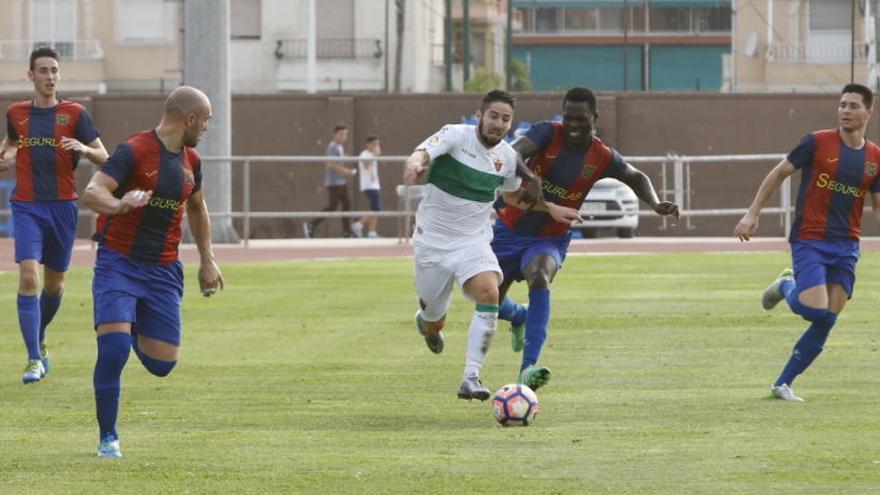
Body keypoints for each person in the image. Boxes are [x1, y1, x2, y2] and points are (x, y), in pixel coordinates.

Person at [493, 86, 680, 391]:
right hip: (508, 232)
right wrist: (531, 176)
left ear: (594, 118)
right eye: (568, 118)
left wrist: (656, 203)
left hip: (549, 240)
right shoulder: (546, 133)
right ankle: (518, 315)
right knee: (486, 301)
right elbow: (511, 153)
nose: (574, 125)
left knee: (540, 276)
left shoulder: (602, 156)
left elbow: (637, 177)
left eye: (580, 119)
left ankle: (528, 370)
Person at [404, 89, 581, 401]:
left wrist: (550, 208)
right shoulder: (455, 135)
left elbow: (512, 197)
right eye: (494, 116)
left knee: (489, 292)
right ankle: (427, 323)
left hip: (473, 241)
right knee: (435, 321)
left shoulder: (507, 158)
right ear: (479, 116)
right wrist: (415, 164)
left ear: (511, 124)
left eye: (506, 119)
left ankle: (471, 377)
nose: (499, 124)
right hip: (432, 242)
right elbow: (422, 153)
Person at [81, 85, 224, 457]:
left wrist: (207, 260)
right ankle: (108, 436)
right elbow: (93, 192)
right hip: (119, 262)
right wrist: (118, 205)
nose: (208, 127)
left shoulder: (192, 160)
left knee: (162, 365)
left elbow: (197, 208)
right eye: (206, 120)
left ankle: (126, 327)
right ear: (189, 118)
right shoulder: (134, 149)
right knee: (112, 350)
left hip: (163, 270)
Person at [735, 83, 880, 402]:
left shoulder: (874, 158)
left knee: (828, 319)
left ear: (869, 112)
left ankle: (782, 384)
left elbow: (877, 206)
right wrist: (752, 212)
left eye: (854, 106)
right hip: (810, 239)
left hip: (847, 247)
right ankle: (787, 285)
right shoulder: (817, 142)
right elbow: (778, 173)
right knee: (815, 311)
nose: (845, 110)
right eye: (842, 104)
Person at [0, 46, 108, 384]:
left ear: (59, 76)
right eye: (43, 71)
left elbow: (105, 157)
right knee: (29, 277)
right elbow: (11, 145)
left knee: (54, 283)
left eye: (54, 71)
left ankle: (40, 334)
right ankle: (33, 358)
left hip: (63, 207)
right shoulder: (16, 112)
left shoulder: (76, 114)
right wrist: (3, 156)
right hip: (27, 205)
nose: (49, 76)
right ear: (31, 75)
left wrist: (85, 149)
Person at [303, 125, 357, 238]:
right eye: (341, 134)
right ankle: (311, 225)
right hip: (334, 183)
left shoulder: (340, 147)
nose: (343, 136)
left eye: (345, 134)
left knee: (347, 204)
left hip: (341, 182)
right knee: (333, 206)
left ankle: (347, 232)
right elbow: (331, 165)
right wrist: (347, 171)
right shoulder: (333, 146)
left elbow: (338, 160)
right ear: (335, 134)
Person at [352, 135, 382, 238]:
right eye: (374, 144)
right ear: (368, 144)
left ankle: (372, 232)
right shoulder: (364, 154)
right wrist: (374, 155)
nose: (376, 146)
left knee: (375, 208)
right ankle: (358, 225)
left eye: (377, 144)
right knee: (376, 209)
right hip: (368, 185)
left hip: (375, 185)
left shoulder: (372, 155)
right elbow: (366, 165)